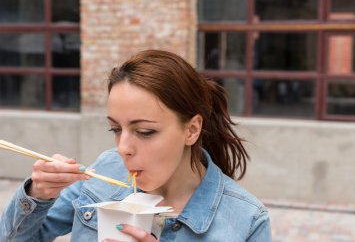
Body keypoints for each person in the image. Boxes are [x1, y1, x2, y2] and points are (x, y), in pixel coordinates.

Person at [0, 50, 272, 242]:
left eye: (145, 131)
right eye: (116, 129)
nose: (123, 148)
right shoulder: (105, 170)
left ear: (191, 130)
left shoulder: (246, 220)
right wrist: (38, 194)